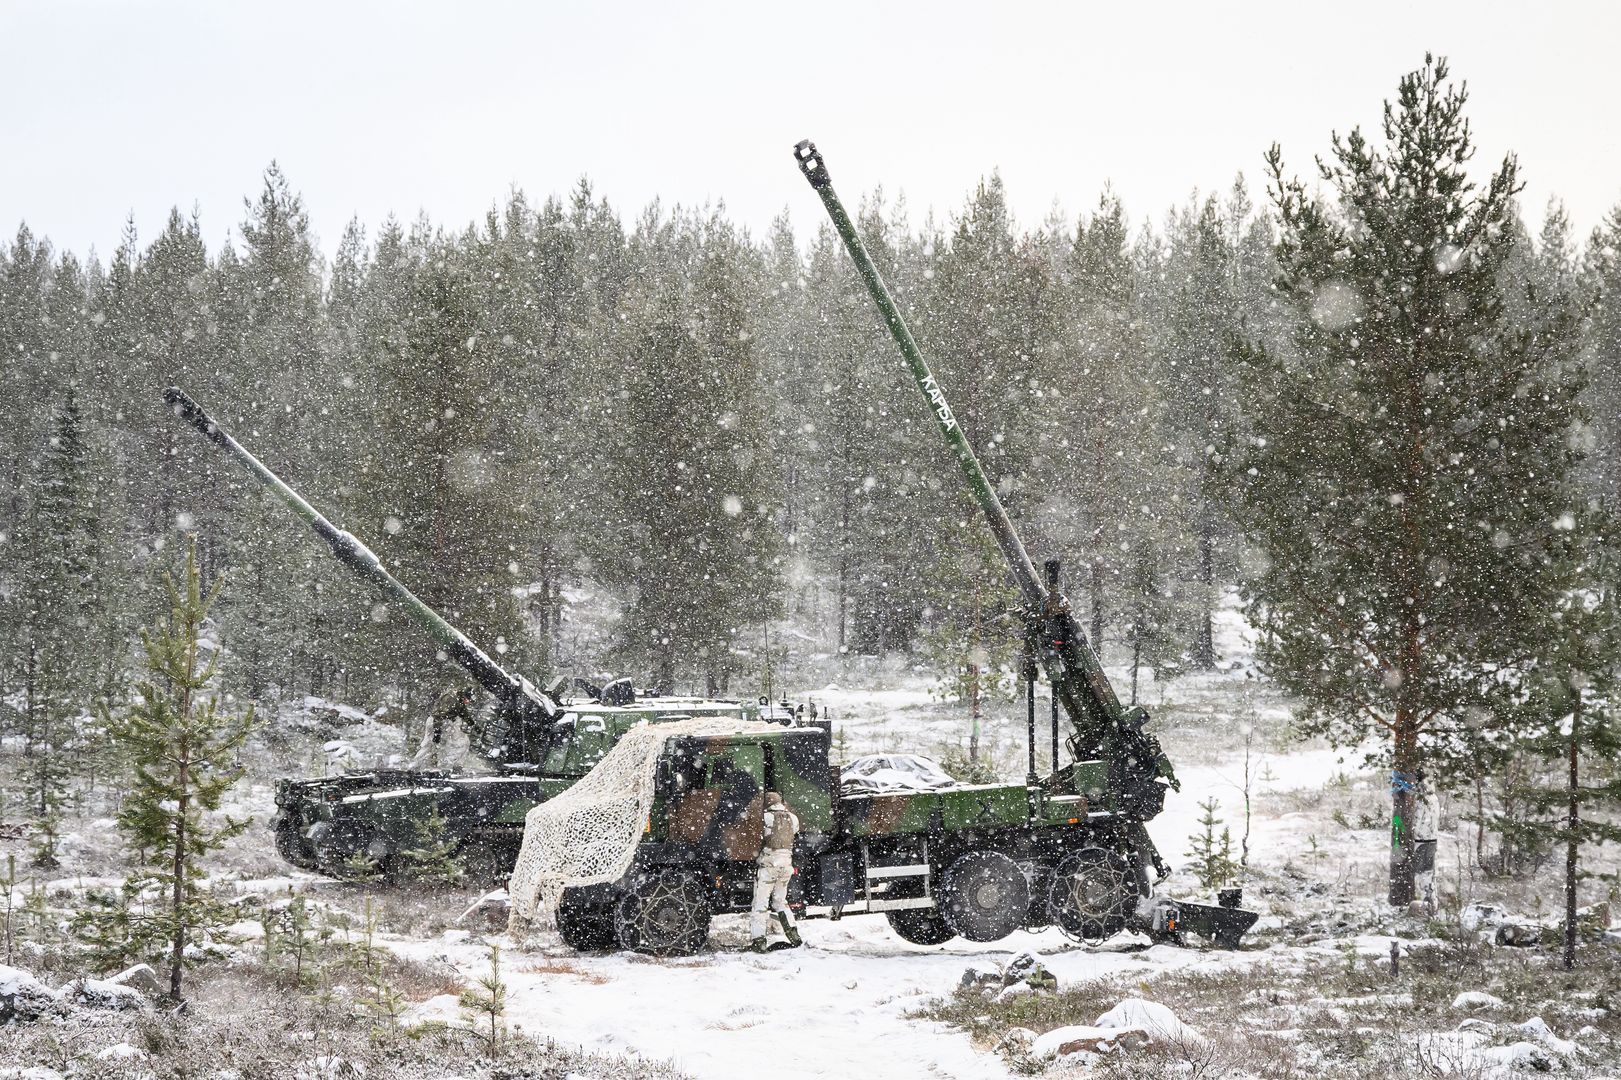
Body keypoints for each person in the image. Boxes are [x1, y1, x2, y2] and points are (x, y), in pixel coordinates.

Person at [750, 790, 801, 952]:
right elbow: (794, 834)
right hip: (786, 864)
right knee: (780, 901)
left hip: (769, 865)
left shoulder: (765, 817)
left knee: (760, 904)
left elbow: (760, 837)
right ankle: (794, 935)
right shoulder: (792, 818)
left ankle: (759, 941)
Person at [413, 685, 474, 769]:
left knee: (440, 745)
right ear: (463, 695)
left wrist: (473, 724)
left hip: (443, 723)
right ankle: (417, 766)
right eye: (467, 699)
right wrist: (437, 730)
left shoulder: (459, 701)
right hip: (437, 722)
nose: (467, 702)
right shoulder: (451, 699)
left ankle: (450, 766)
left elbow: (464, 713)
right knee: (431, 744)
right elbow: (440, 715)